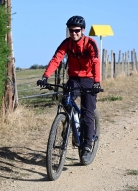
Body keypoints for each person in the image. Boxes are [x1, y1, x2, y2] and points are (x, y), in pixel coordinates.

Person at [37, 15, 101, 163]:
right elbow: (56, 59)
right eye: (71, 31)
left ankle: (86, 146)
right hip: (73, 79)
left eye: (77, 30)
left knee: (87, 114)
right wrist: (45, 77)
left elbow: (96, 62)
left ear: (83, 30)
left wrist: (97, 82)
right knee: (66, 101)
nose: (74, 33)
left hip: (89, 79)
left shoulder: (91, 43)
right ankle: (69, 124)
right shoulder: (67, 43)